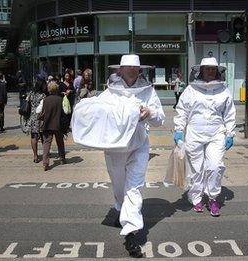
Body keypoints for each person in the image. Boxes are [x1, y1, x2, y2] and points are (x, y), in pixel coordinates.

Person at [72, 54, 165, 257]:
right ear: (120, 70)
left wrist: (150, 113)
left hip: (139, 145)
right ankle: (121, 209)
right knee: (119, 185)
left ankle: (131, 232)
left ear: (140, 70)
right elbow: (97, 112)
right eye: (128, 67)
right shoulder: (109, 92)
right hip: (114, 147)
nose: (132, 70)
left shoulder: (148, 91)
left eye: (135, 67)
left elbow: (160, 119)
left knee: (134, 187)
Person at [173, 57, 236, 217]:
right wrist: (179, 129)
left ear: (217, 71)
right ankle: (196, 198)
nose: (210, 71)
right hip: (194, 133)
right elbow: (182, 111)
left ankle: (213, 197)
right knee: (197, 169)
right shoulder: (190, 90)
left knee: (215, 166)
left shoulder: (223, 90)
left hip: (216, 133)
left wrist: (230, 133)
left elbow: (229, 114)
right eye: (207, 68)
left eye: (213, 69)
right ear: (200, 71)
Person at [40, 81, 66, 171]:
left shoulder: (46, 99)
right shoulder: (60, 99)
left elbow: (43, 112)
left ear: (49, 89)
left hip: (47, 124)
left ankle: (45, 163)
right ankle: (62, 158)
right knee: (60, 142)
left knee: (46, 143)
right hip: (58, 124)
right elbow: (63, 112)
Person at [22, 75, 47, 163]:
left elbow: (27, 103)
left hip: (32, 117)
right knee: (43, 136)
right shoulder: (43, 95)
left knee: (34, 137)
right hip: (41, 117)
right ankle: (45, 153)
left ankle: (35, 156)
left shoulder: (30, 94)